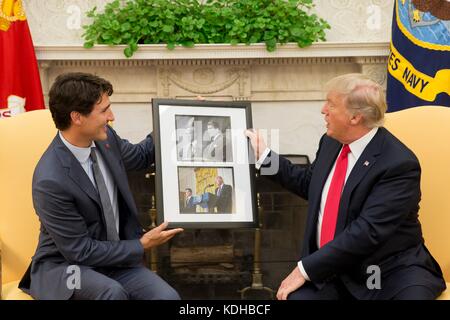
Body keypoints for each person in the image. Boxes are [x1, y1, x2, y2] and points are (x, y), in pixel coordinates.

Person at [245, 73, 446, 300]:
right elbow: (311, 185)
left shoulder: (398, 164)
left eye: (331, 104)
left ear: (355, 118)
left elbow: (368, 231)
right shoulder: (331, 141)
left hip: (388, 272)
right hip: (337, 271)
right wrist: (264, 157)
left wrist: (304, 269)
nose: (323, 110)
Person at [18, 72, 183, 300]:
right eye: (104, 110)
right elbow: (80, 251)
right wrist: (141, 245)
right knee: (111, 293)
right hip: (66, 268)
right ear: (77, 117)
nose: (111, 116)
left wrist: (176, 117)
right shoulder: (50, 179)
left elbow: (140, 156)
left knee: (167, 297)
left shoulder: (105, 139)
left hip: (114, 261)